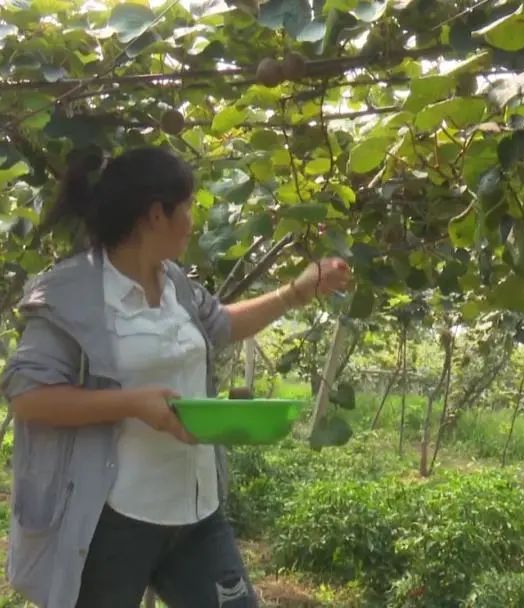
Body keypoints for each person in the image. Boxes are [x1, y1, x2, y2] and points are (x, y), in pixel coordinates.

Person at [1, 146, 351, 608]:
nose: (192, 220)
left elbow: (221, 324)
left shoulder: (174, 285)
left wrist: (297, 292)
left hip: (196, 510)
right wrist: (132, 404)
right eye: (185, 208)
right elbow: (28, 396)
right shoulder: (71, 295)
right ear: (154, 215)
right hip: (114, 519)